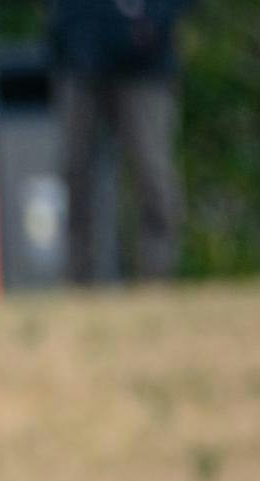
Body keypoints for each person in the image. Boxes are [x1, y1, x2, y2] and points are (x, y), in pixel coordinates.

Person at [49, 0, 190, 283]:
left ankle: (157, 279)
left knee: (153, 173)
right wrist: (69, 30)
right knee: (74, 174)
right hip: (79, 61)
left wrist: (151, 22)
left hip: (146, 67)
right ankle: (76, 282)